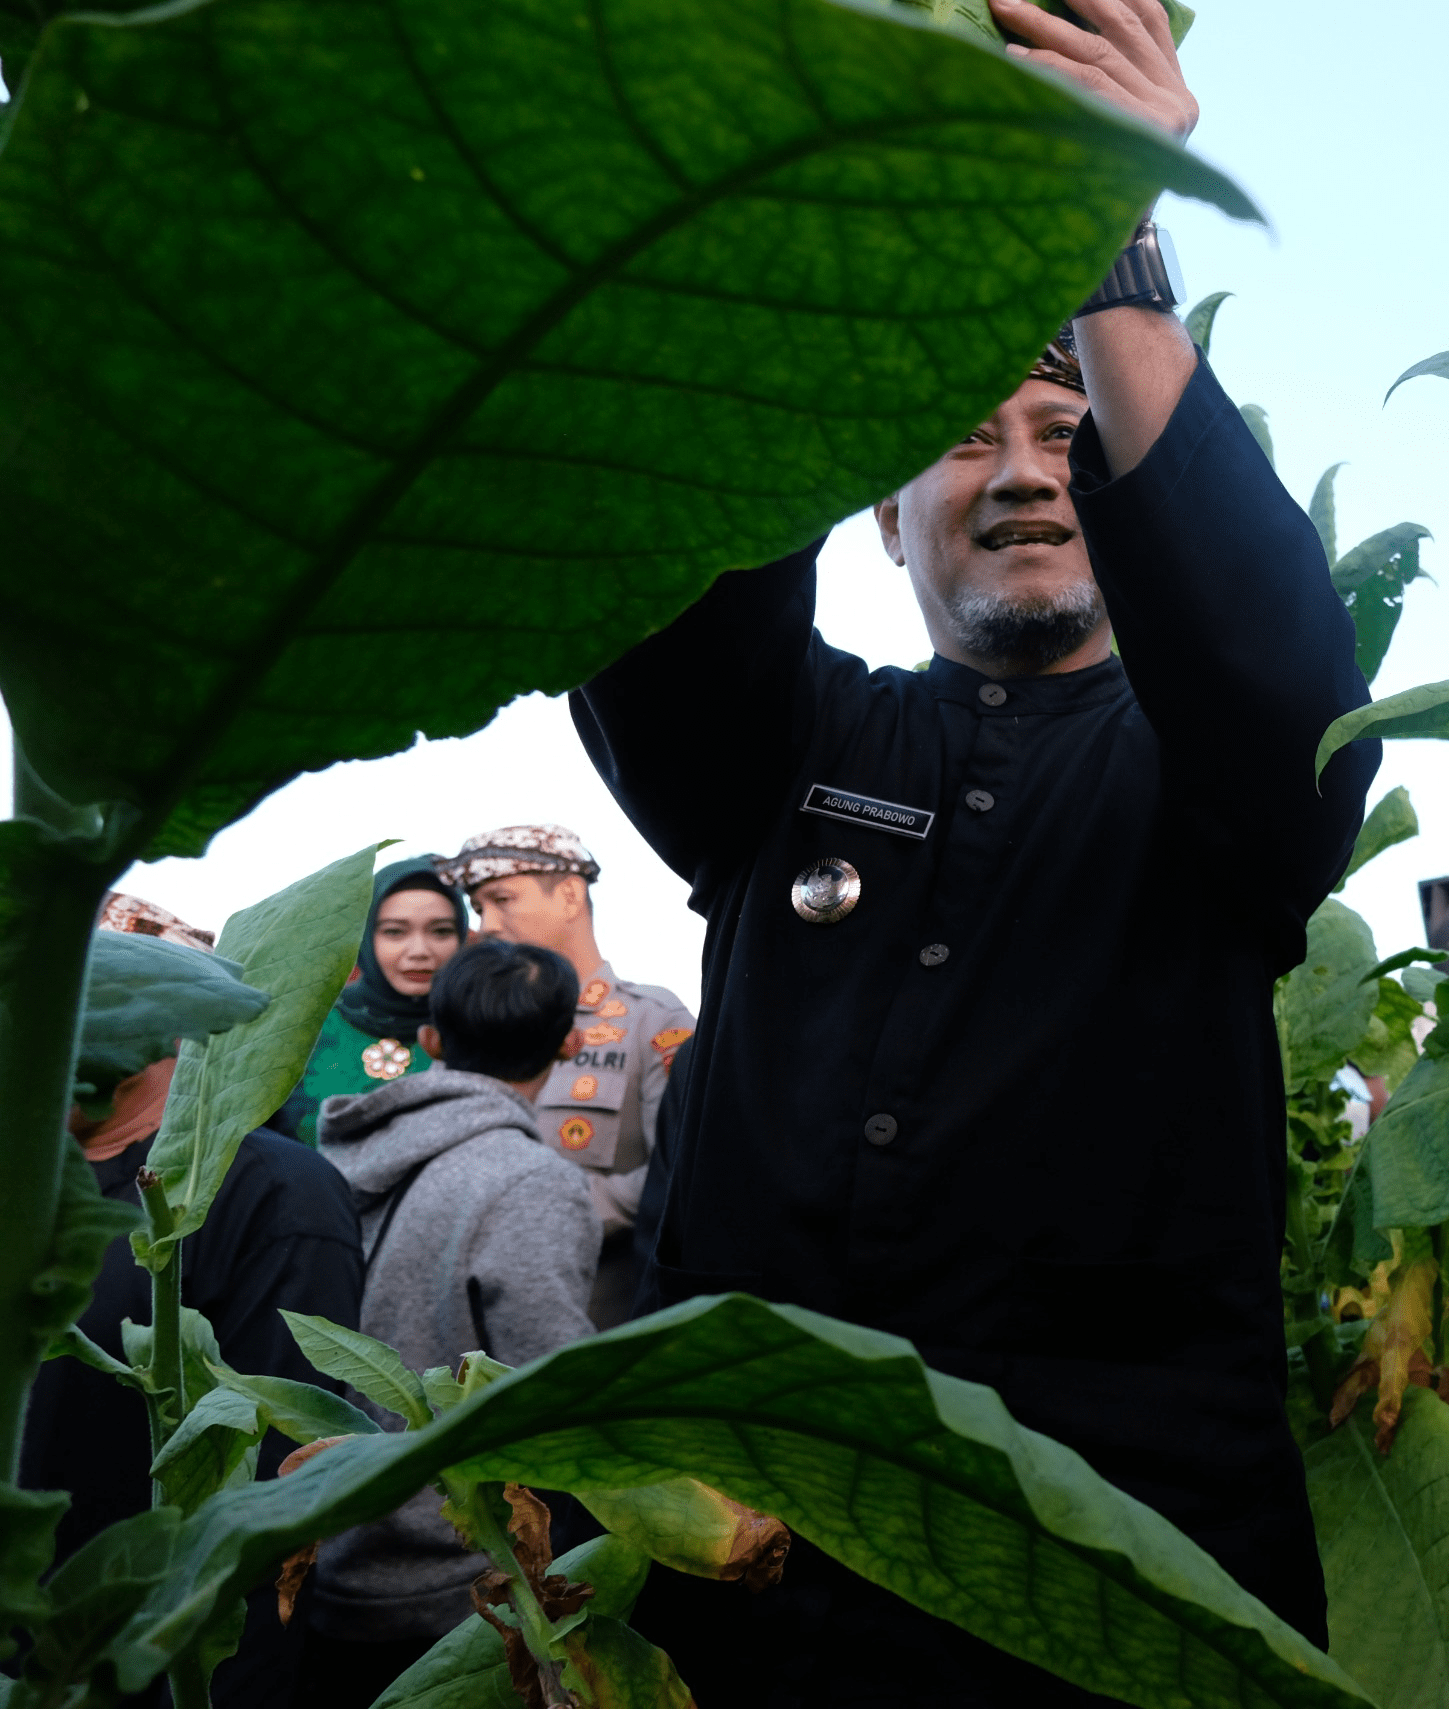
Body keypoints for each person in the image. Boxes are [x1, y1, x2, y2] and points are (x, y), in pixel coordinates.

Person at [568, 3, 1376, 1699]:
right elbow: (652, 589)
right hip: (762, 1557)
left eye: (1067, 430)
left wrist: (1113, 239)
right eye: (963, 433)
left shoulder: (1220, 778)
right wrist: (825, 203)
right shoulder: (792, 747)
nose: (1023, 471)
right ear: (874, 502)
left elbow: (1287, 684)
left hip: (1124, 1568)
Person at [23, 895, 363, 1708]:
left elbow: (265, 1505)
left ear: (167, 1016)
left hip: (146, 1665)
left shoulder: (273, 1194)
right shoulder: (25, 1179)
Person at [295, 938, 599, 1706]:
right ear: (569, 1042)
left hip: (325, 1552)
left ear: (432, 1039)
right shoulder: (530, 1181)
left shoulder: (339, 1157)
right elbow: (557, 1389)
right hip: (455, 1587)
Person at [434, 824, 692, 1327]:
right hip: (470, 1329)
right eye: (478, 908)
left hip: (596, 1323)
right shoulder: (473, 1019)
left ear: (570, 895)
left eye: (501, 898)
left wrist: (546, 1209)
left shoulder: (651, 1021)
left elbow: (683, 1170)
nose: (487, 924)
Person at [278, 855, 469, 1145]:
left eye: (441, 931)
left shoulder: (482, 1028)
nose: (419, 950)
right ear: (366, 935)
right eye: (395, 932)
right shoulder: (306, 1025)